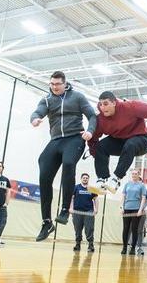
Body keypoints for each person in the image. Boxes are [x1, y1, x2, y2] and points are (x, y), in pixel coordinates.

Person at [31, 71, 97, 242]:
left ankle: (65, 209)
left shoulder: (77, 97)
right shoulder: (47, 99)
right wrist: (35, 119)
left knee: (68, 163)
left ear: (65, 83)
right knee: (43, 167)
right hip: (56, 140)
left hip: (75, 138)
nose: (54, 87)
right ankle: (47, 222)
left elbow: (92, 116)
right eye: (52, 84)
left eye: (58, 84)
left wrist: (90, 131)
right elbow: (38, 111)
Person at [87, 91, 147, 194]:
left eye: (106, 104)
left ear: (114, 103)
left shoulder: (130, 107)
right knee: (101, 146)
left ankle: (116, 178)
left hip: (140, 140)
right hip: (119, 141)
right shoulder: (100, 119)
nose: (103, 108)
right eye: (100, 104)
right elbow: (93, 138)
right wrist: (95, 153)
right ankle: (102, 179)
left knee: (130, 144)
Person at [120, 170, 147, 255]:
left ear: (138, 175)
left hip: (136, 209)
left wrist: (140, 209)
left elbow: (143, 198)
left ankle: (133, 248)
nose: (134, 175)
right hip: (127, 208)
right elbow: (123, 196)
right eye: (133, 174)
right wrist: (121, 207)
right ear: (131, 175)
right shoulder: (127, 184)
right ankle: (124, 247)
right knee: (125, 229)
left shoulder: (142, 185)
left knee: (134, 229)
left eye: (136, 174)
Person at [70, 173, 98, 252]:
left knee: (89, 229)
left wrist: (96, 209)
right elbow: (71, 198)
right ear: (81, 179)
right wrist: (71, 208)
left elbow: (96, 199)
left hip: (88, 212)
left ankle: (90, 245)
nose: (85, 179)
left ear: (88, 179)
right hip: (77, 211)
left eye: (86, 178)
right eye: (84, 178)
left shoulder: (92, 188)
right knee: (77, 229)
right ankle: (77, 244)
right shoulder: (76, 187)